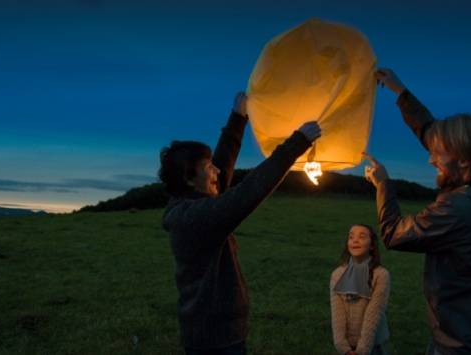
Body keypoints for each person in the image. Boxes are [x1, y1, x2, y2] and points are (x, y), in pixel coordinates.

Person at [364, 68, 471, 355]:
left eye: (438, 154)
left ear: (464, 162)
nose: (430, 160)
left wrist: (383, 184)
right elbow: (433, 133)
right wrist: (400, 93)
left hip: (458, 346)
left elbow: (392, 233)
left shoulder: (459, 208)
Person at [159, 92, 321, 355]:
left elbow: (222, 169)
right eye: (208, 167)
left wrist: (238, 117)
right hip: (215, 339)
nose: (216, 171)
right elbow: (247, 193)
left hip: (215, 331)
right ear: (190, 179)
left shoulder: (192, 203)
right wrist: (296, 143)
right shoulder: (195, 218)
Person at [330, 224, 391, 355]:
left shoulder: (381, 275)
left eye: (362, 237)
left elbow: (374, 313)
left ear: (372, 245)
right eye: (351, 237)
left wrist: (363, 350)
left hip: (373, 345)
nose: (355, 240)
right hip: (346, 347)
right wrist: (342, 347)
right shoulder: (337, 275)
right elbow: (337, 313)